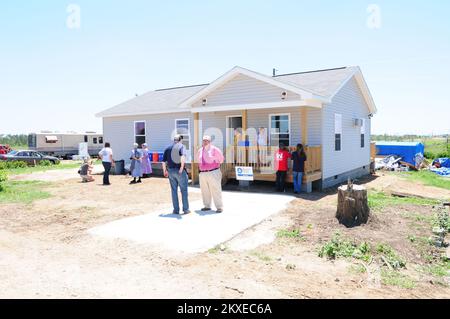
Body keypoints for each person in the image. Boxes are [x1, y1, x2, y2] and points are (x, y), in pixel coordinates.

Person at [162, 135, 190, 215]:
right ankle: (186, 209)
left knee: (174, 191)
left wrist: (165, 171)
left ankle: (176, 210)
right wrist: (181, 167)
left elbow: (163, 162)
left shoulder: (167, 148)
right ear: (180, 140)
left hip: (170, 171)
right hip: (179, 171)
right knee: (184, 190)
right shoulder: (181, 146)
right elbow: (182, 156)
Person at [197, 135, 225, 213]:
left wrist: (213, 158)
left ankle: (219, 207)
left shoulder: (215, 150)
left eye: (207, 141)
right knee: (204, 190)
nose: (205, 142)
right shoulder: (200, 150)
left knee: (216, 190)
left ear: (210, 142)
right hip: (203, 173)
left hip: (213, 172)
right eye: (204, 140)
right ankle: (207, 206)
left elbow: (221, 160)